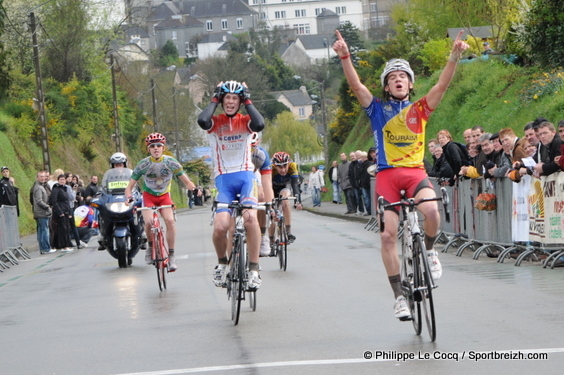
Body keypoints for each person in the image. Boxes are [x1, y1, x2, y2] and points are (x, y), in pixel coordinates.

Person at [333, 29, 468, 320]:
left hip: (414, 173)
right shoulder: (377, 109)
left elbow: (442, 86)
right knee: (387, 236)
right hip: (387, 176)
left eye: (403, 76)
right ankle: (398, 296)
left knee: (432, 210)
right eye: (392, 76)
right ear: (386, 84)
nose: (398, 79)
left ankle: (429, 250)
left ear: (410, 83)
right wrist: (345, 56)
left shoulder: (420, 109)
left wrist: (454, 57)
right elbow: (356, 86)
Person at [197, 80, 265, 289]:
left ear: (240, 101)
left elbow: (260, 124)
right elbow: (202, 120)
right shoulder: (215, 122)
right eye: (228, 98)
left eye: (235, 98)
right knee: (220, 228)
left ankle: (254, 268)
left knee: (250, 219)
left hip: (246, 178)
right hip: (224, 181)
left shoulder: (246, 121)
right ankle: (222, 264)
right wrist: (214, 98)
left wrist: (248, 100)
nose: (231, 102)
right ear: (222, 100)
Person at [124, 133, 196, 272]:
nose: (155, 148)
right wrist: (128, 197)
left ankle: (172, 255)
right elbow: (129, 187)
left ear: (163, 148)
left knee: (169, 221)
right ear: (148, 149)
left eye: (158, 146)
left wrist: (195, 189)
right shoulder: (143, 164)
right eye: (152, 146)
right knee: (149, 222)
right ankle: (151, 248)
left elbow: (186, 181)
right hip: (149, 196)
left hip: (164, 196)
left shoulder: (171, 162)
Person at [250, 132, 275, 256]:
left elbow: (266, 183)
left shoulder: (261, 154)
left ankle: (262, 235)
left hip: (254, 173)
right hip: (237, 170)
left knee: (261, 197)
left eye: (253, 146)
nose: (251, 150)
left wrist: (269, 206)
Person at [270, 151, 303, 245]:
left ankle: (288, 232)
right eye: (280, 167)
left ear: (288, 164)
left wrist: (298, 201)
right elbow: (267, 186)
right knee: (271, 212)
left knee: (285, 200)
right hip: (272, 187)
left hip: (285, 186)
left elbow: (295, 185)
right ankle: (271, 239)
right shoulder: (271, 168)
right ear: (275, 166)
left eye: (285, 166)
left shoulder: (293, 166)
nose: (283, 170)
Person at [49, 174, 75, 252]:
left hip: (66, 210)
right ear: (58, 180)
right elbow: (54, 201)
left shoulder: (65, 189)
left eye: (63, 179)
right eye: (60, 179)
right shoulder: (56, 189)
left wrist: (69, 211)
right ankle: (63, 246)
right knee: (62, 229)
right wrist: (60, 212)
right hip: (60, 212)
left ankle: (66, 244)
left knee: (66, 229)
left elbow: (68, 201)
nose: (62, 181)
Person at [31, 170, 55, 254]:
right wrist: (47, 207)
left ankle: (43, 248)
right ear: (37, 177)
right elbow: (39, 201)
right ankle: (46, 248)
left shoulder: (42, 186)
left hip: (41, 212)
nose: (42, 178)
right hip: (42, 212)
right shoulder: (38, 187)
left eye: (44, 176)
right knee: (44, 231)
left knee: (42, 231)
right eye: (40, 176)